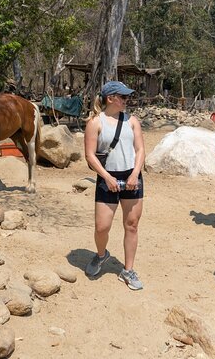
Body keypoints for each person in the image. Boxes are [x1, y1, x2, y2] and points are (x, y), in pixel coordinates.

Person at [84, 80, 146, 291]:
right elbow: (90, 155)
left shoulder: (133, 121)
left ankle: (128, 270)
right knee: (102, 227)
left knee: (132, 225)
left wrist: (135, 174)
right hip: (107, 177)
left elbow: (140, 150)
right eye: (124, 97)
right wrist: (107, 177)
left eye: (127, 96)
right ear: (111, 98)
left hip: (131, 177)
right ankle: (101, 255)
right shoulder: (95, 122)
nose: (127, 100)